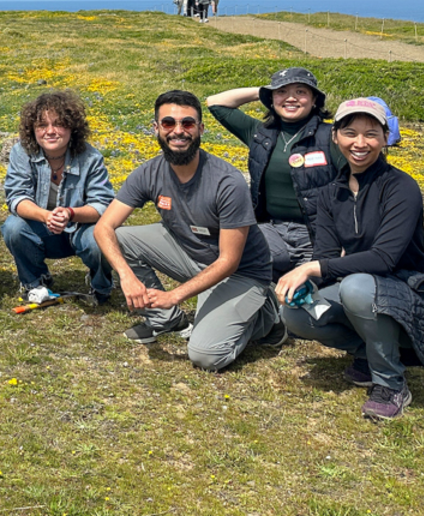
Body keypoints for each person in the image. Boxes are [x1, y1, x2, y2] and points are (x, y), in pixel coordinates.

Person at [95, 91, 285, 372]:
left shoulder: (227, 181)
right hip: (193, 256)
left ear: (200, 129)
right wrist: (126, 277)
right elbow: (103, 227)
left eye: (188, 123)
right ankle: (165, 320)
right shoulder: (148, 172)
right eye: (169, 123)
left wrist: (175, 295)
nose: (178, 131)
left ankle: (265, 315)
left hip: (239, 273)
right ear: (156, 128)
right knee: (120, 240)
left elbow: (229, 261)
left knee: (206, 356)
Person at [276, 98, 424, 421]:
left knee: (355, 287)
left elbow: (385, 259)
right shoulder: (331, 194)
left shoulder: (402, 187)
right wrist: (304, 285)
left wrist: (313, 268)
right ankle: (368, 354)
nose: (360, 143)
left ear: (386, 138)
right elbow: (326, 259)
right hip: (367, 291)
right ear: (335, 137)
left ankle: (391, 384)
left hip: (412, 294)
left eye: (371, 133)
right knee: (295, 313)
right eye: (350, 132)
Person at [207, 68, 343, 279]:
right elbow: (216, 102)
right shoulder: (260, 133)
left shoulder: (332, 136)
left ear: (315, 99)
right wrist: (263, 91)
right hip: (272, 230)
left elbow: (357, 186)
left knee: (311, 297)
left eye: (300, 92)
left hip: (319, 234)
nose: (291, 98)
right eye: (282, 92)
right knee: (228, 262)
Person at [1, 91, 115, 305]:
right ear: (32, 130)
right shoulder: (21, 152)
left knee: (101, 238)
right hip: (42, 228)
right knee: (13, 228)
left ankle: (101, 284)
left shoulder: (91, 158)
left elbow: (103, 204)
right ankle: (35, 281)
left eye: (59, 124)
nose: (50, 131)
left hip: (81, 228)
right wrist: (46, 216)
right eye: (42, 125)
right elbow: (16, 197)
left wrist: (70, 213)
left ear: (73, 127)